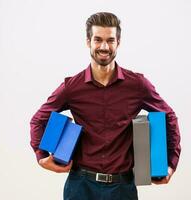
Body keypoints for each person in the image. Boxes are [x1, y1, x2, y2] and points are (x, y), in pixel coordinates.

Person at [30, 12, 181, 200]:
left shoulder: (138, 85)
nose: (104, 46)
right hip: (80, 187)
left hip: (122, 188)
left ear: (118, 42)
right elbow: (38, 119)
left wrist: (171, 163)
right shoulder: (72, 87)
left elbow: (169, 116)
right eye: (98, 40)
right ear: (88, 42)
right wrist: (41, 156)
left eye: (110, 40)